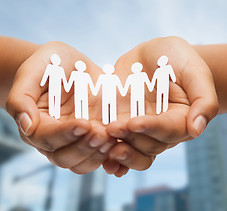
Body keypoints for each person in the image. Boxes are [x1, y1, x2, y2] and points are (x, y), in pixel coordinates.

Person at [0, 36, 225, 178]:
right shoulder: (86, 79)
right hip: (81, 96)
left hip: (137, 97)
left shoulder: (131, 78)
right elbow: (91, 84)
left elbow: (134, 84)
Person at [40, 54, 68, 119]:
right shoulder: (50, 67)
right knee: (51, 98)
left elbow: (63, 78)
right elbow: (46, 75)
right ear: (52, 61)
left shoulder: (60, 69)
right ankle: (52, 112)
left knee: (57, 99)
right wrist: (42, 83)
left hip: (58, 86)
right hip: (52, 85)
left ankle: (57, 114)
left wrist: (66, 86)